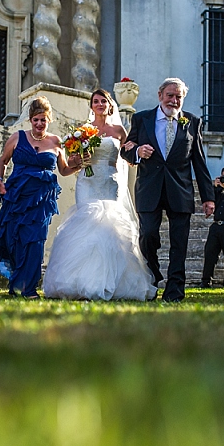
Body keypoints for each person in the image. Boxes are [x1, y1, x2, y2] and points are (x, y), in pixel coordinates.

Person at [43, 89, 158, 301]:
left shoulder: (119, 130)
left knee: (110, 227)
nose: (99, 104)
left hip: (110, 181)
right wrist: (81, 159)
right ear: (91, 106)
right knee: (87, 225)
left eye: (102, 101)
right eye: (95, 101)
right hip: (87, 181)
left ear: (109, 105)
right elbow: (73, 162)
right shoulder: (82, 131)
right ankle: (80, 281)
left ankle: (113, 283)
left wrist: (138, 154)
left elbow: (127, 156)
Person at [120, 78, 215, 302]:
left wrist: (208, 197)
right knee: (148, 235)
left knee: (179, 243)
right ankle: (151, 279)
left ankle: (174, 290)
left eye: (178, 97)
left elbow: (199, 162)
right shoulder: (142, 119)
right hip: (149, 188)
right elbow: (126, 150)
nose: (174, 100)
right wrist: (137, 153)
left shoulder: (192, 122)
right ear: (160, 95)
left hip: (180, 189)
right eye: (170, 95)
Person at [0, 96, 82, 298]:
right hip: (17, 195)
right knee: (13, 238)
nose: (39, 124)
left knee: (35, 241)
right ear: (30, 120)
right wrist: (0, 180)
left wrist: (79, 164)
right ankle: (16, 281)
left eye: (43, 120)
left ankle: (29, 288)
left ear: (49, 120)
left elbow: (63, 170)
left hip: (41, 200)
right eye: (35, 119)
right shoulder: (17, 137)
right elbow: (3, 160)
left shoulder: (55, 141)